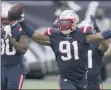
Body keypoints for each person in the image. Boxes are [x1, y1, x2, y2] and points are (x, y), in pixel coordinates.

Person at [8, 9, 111, 90]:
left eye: (67, 23)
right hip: (66, 78)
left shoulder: (83, 35)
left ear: (75, 23)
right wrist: (22, 21)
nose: (64, 26)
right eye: (62, 23)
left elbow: (101, 37)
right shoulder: (56, 36)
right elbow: (34, 35)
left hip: (82, 78)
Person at [1, 3, 28, 90]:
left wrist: (10, 37)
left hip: (15, 68)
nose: (4, 22)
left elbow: (23, 49)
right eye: (2, 19)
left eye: (6, 19)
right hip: (2, 67)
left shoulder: (20, 30)